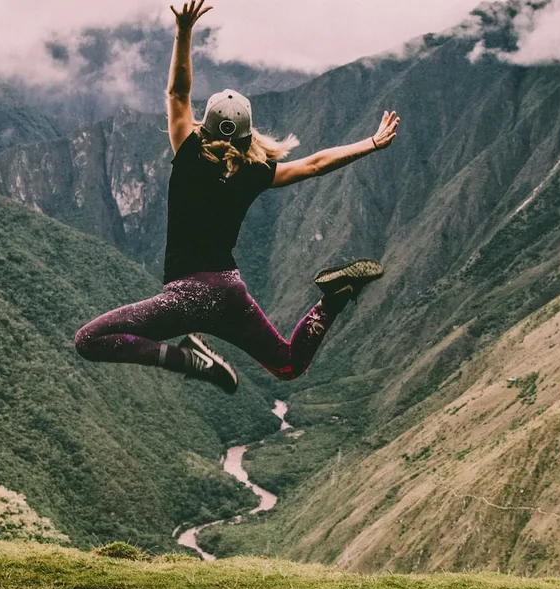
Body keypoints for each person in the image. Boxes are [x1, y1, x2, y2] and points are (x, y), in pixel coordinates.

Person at [74, 0, 399, 393]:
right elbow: (314, 164)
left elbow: (178, 92)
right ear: (248, 135)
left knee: (89, 340)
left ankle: (186, 359)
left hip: (187, 296)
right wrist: (371, 143)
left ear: (205, 127)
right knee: (288, 364)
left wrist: (184, 31)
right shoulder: (255, 172)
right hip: (230, 292)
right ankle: (332, 300)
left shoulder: (190, 152)